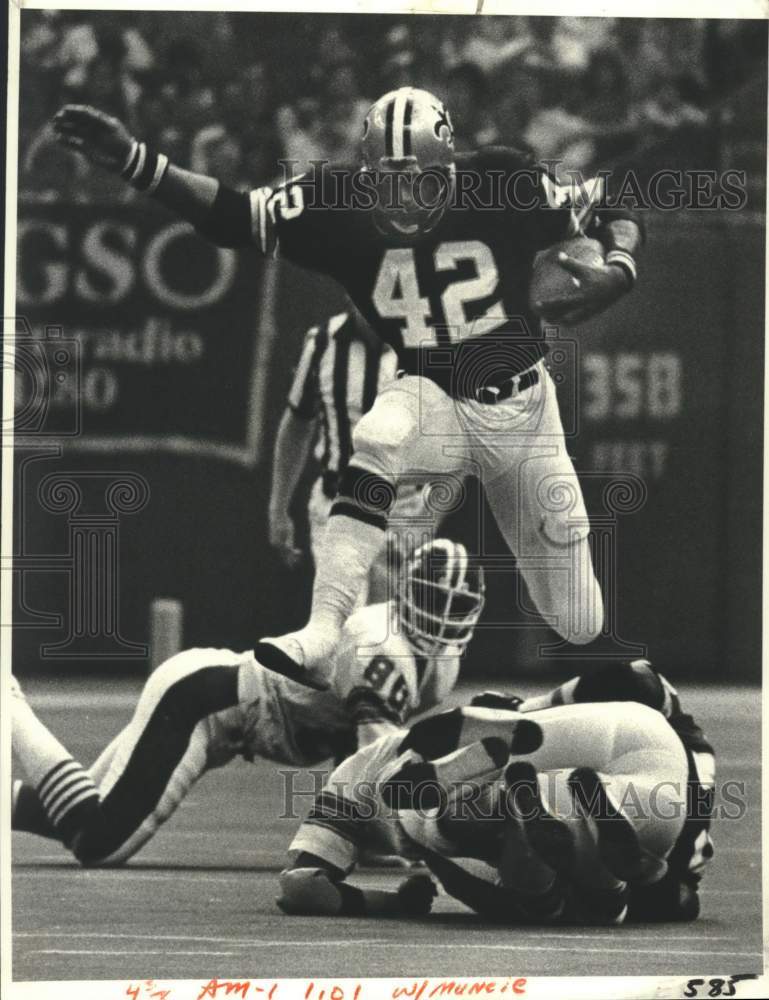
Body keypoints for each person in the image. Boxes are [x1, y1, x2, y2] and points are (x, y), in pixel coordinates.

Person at [52, 86, 643, 689]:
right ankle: (321, 630)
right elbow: (232, 216)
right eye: (389, 183)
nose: (405, 199)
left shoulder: (499, 179)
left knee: (577, 619)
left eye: (421, 183)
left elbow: (610, 202)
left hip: (521, 408)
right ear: (365, 175)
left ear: (450, 168)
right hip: (433, 393)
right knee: (379, 434)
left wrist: (619, 268)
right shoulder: (331, 202)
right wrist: (136, 162)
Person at [11, 541, 484, 867]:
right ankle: (9, 702)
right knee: (99, 842)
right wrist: (425, 841)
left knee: (79, 814)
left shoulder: (440, 665)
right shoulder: (381, 647)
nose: (441, 617)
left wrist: (370, 840)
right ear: (405, 591)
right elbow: (374, 764)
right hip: (207, 705)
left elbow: (355, 753)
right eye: (432, 598)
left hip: (226, 710)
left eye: (456, 606)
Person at [277, 659, 713, 924]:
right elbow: (638, 679)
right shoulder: (385, 751)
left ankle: (610, 885)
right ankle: (639, 879)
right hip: (649, 759)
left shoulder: (357, 773)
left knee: (451, 839)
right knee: (543, 814)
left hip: (621, 820)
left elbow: (304, 888)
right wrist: (536, 707)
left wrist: (395, 904)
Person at [269, 304, 451, 601]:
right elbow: (297, 424)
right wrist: (278, 508)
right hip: (337, 507)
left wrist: (425, 521)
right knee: (344, 618)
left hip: (401, 514)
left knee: (382, 623)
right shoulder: (322, 342)